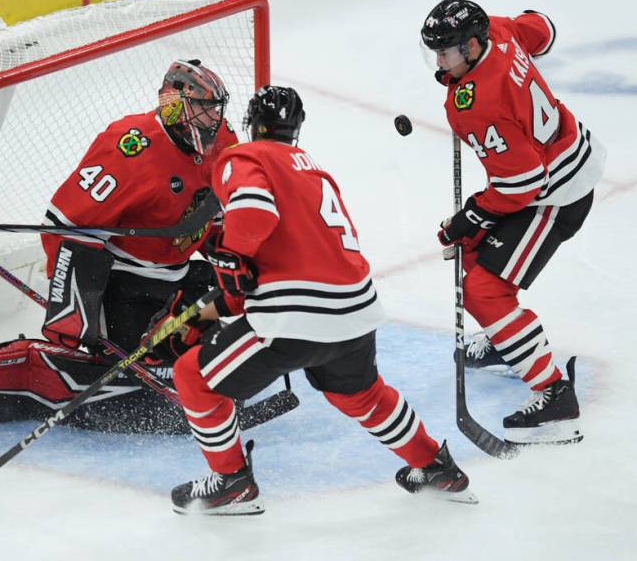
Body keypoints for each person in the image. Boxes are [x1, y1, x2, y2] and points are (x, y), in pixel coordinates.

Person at [163, 85, 473, 515]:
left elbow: (253, 212)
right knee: (361, 395)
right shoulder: (315, 172)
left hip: (294, 317)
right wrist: (214, 308)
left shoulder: (244, 157)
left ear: (253, 125)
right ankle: (436, 468)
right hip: (356, 308)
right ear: (297, 130)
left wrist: (231, 260)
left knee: (191, 376)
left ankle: (232, 482)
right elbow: (281, 265)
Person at [420, 0, 606, 445]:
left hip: (556, 193)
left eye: (445, 51)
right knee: (472, 256)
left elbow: (522, 183)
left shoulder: (476, 104)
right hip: (560, 161)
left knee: (485, 290)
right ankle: (510, 343)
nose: (439, 62)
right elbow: (542, 28)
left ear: (471, 45)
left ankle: (555, 395)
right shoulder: (498, 31)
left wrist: (471, 216)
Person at [28, 59, 237, 432]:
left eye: (215, 111)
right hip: (124, 282)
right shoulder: (130, 147)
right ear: (173, 105)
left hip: (181, 274)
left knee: (212, 348)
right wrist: (76, 314)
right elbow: (65, 225)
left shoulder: (222, 142)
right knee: (155, 365)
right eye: (201, 110)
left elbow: (218, 212)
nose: (212, 121)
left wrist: (236, 256)